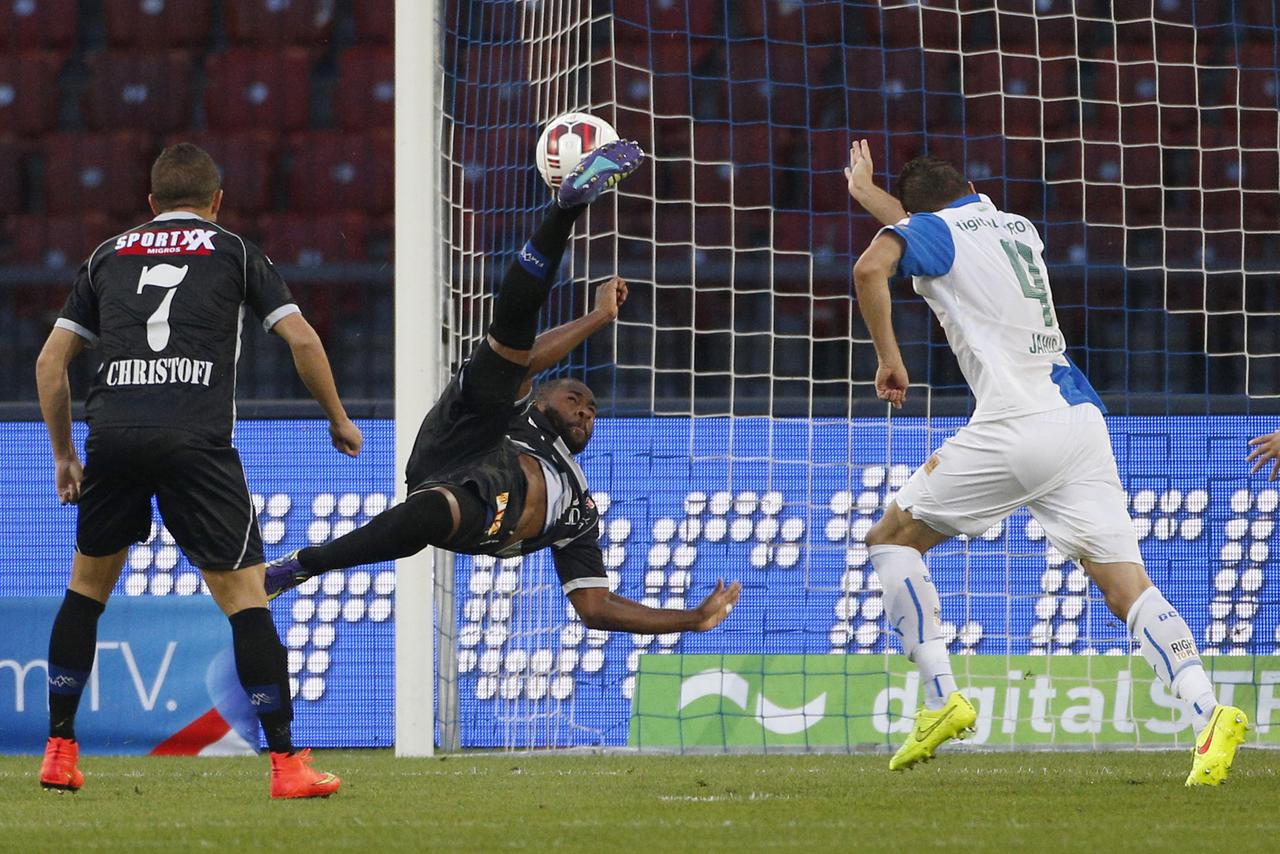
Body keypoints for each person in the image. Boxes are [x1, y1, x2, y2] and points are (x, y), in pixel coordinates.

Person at [845, 140, 1246, 785]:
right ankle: (1209, 712)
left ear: (916, 214)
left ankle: (942, 695)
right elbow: (932, 226)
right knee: (1127, 588)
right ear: (970, 185)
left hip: (1015, 422)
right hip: (1080, 422)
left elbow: (871, 269)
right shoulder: (1015, 226)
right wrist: (871, 197)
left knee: (892, 541)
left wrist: (890, 358)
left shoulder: (931, 233)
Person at [265, 140, 742, 635]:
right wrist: (599, 317)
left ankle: (301, 565)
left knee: (433, 511)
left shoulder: (578, 507)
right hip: (467, 432)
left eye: (593, 409)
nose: (585, 411)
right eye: (575, 397)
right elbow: (527, 363)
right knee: (509, 349)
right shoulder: (528, 415)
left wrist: (690, 619)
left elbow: (595, 607)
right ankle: (564, 212)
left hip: (478, 510)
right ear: (542, 399)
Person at [35, 143, 361, 798]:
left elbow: (50, 363)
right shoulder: (235, 251)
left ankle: (59, 750)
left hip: (116, 436)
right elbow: (300, 337)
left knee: (85, 592)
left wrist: (65, 455)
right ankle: (286, 765)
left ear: (150, 204)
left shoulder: (105, 255)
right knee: (245, 599)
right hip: (195, 438)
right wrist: (338, 416)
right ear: (217, 202)